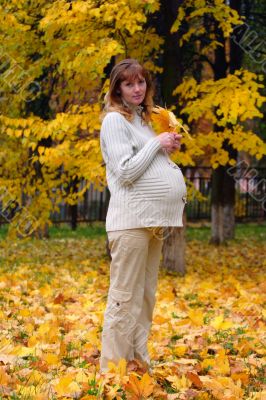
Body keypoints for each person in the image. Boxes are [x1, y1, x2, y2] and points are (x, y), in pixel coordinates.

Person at [99, 58, 187, 373]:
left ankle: (138, 366)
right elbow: (124, 172)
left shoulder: (142, 120)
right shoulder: (114, 121)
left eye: (141, 82)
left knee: (145, 297)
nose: (137, 89)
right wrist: (155, 145)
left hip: (152, 222)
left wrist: (165, 147)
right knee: (124, 298)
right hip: (130, 223)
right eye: (129, 83)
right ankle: (113, 372)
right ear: (117, 89)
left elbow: (146, 159)